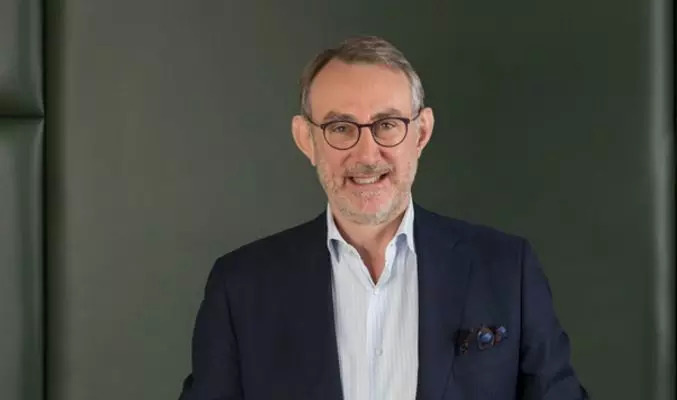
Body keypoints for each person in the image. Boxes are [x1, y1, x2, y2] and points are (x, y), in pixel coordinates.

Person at [179, 36, 588, 400]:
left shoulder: (506, 270)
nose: (366, 154)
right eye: (341, 128)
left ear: (421, 133)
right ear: (307, 140)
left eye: (387, 125)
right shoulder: (240, 287)